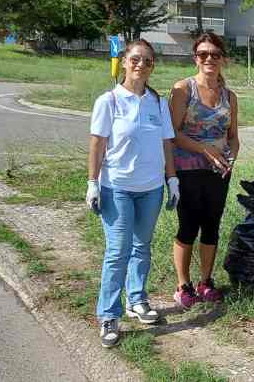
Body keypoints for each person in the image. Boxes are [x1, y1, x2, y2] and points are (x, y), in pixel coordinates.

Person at [86, 39, 179, 348]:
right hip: (117, 188)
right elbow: (98, 143)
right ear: (124, 61)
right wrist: (92, 182)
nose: (141, 64)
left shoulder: (158, 103)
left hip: (150, 189)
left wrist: (172, 180)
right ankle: (108, 315)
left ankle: (136, 300)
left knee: (142, 247)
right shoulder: (109, 101)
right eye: (136, 59)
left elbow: (167, 142)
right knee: (118, 251)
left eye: (148, 61)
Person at [169, 32, 239, 309]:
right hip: (187, 169)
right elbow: (172, 133)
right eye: (203, 54)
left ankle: (206, 281)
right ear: (195, 58)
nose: (209, 58)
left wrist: (231, 156)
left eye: (215, 54)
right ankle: (183, 285)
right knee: (188, 226)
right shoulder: (183, 89)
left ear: (223, 59)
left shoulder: (229, 97)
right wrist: (204, 150)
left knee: (211, 226)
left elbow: (233, 135)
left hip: (219, 172)